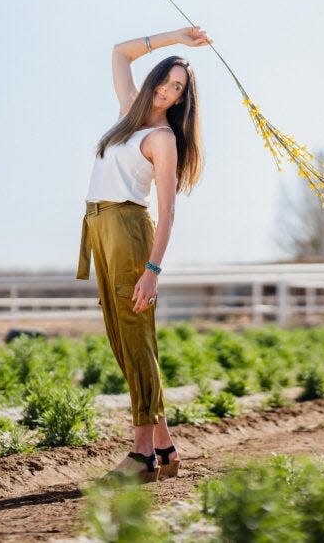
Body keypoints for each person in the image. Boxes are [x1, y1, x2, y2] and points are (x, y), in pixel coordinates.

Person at [76, 26, 211, 482]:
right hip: (101, 230)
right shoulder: (127, 116)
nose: (169, 91)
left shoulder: (163, 140)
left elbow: (168, 211)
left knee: (135, 341)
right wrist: (177, 39)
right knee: (126, 340)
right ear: (154, 80)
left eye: (178, 90)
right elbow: (119, 51)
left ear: (180, 101)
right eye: (167, 81)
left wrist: (152, 270)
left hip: (130, 231)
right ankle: (165, 446)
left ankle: (141, 456)